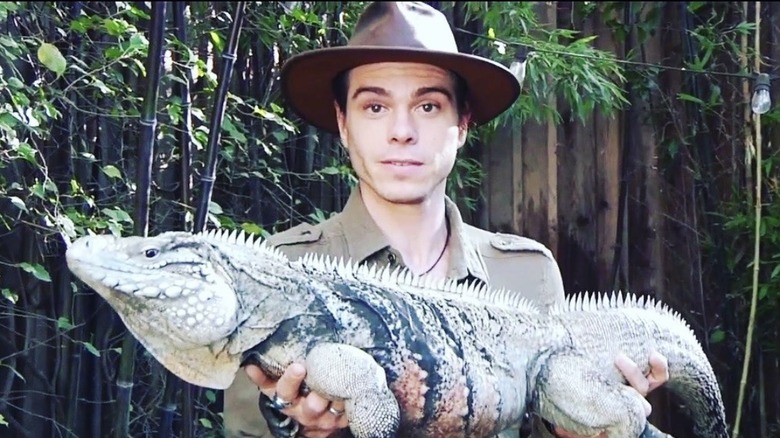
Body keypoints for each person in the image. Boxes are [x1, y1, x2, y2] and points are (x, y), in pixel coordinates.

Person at [223, 2, 670, 437]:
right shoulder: (277, 274)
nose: (402, 131)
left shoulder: (525, 272)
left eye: (428, 106)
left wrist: (588, 424)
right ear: (343, 123)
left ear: (462, 124)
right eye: (375, 107)